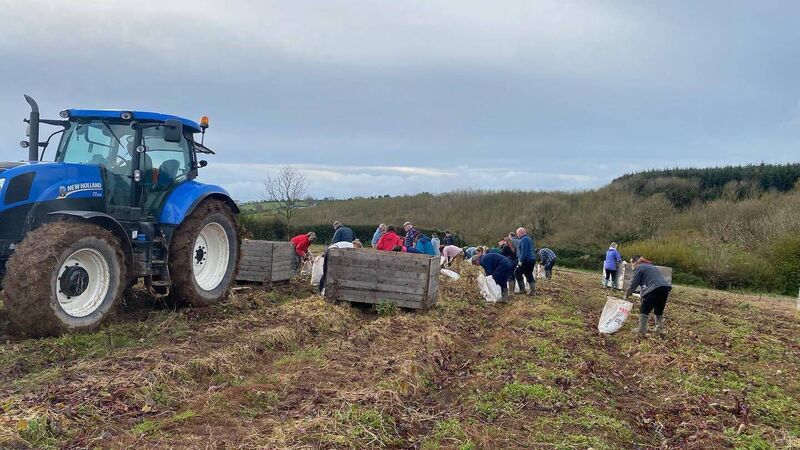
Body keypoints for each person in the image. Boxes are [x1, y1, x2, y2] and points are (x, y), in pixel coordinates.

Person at [625, 255, 672, 336]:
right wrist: (642, 295)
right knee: (659, 309)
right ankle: (659, 329)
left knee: (644, 309)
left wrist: (627, 294)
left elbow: (633, 283)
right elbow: (646, 283)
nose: (632, 265)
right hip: (665, 288)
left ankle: (642, 330)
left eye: (631, 263)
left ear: (635, 262)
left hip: (654, 288)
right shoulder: (650, 266)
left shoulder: (639, 267)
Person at [515, 227, 536, 295]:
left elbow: (524, 251)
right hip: (532, 259)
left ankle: (522, 289)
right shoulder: (529, 239)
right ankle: (533, 291)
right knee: (529, 273)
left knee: (517, 272)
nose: (517, 235)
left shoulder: (523, 240)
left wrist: (520, 261)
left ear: (521, 233)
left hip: (525, 260)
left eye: (517, 234)